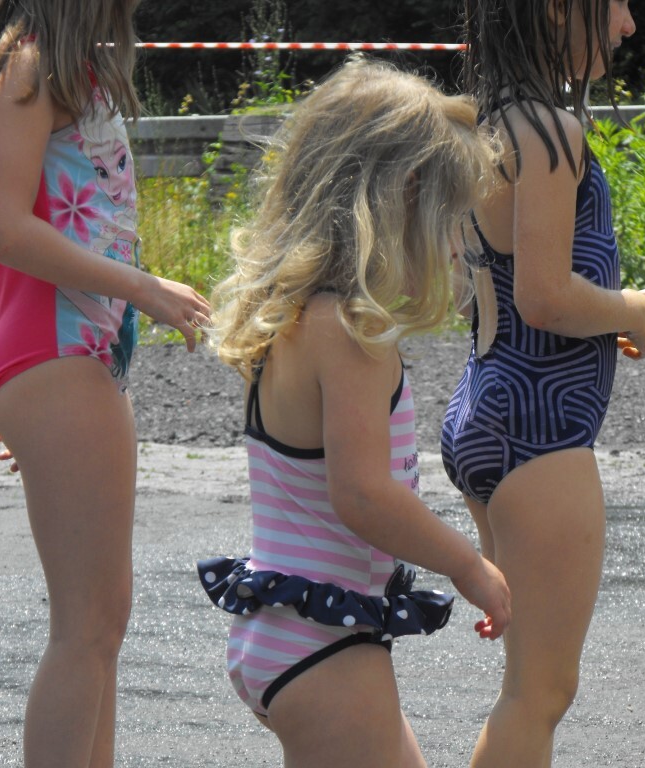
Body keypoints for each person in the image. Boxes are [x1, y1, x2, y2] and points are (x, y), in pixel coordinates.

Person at [196, 57, 511, 768]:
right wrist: (468, 566)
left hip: (288, 626)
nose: (456, 245)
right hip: (325, 643)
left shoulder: (294, 316)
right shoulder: (350, 331)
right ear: (402, 199)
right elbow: (363, 494)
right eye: (450, 220)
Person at [440, 1, 645, 765]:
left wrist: (612, 311)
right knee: (538, 694)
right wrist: (633, 311)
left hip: (486, 409)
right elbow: (543, 296)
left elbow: (480, 291)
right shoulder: (551, 132)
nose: (628, 24)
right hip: (538, 432)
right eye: (615, 3)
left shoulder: (486, 127)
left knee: (527, 688)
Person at [0, 0, 212, 766]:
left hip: (80, 356)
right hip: (54, 352)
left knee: (101, 625)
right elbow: (4, 226)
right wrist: (144, 287)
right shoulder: (29, 65)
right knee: (85, 627)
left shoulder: (70, 67)